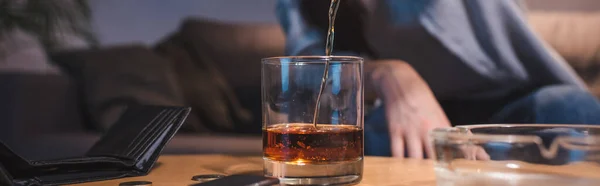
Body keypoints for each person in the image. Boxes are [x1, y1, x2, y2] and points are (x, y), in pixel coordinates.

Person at [275, 0, 600, 158]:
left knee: (573, 112)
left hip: (508, 103)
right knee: (344, 149)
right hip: (402, 114)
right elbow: (310, 70)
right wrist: (390, 75)